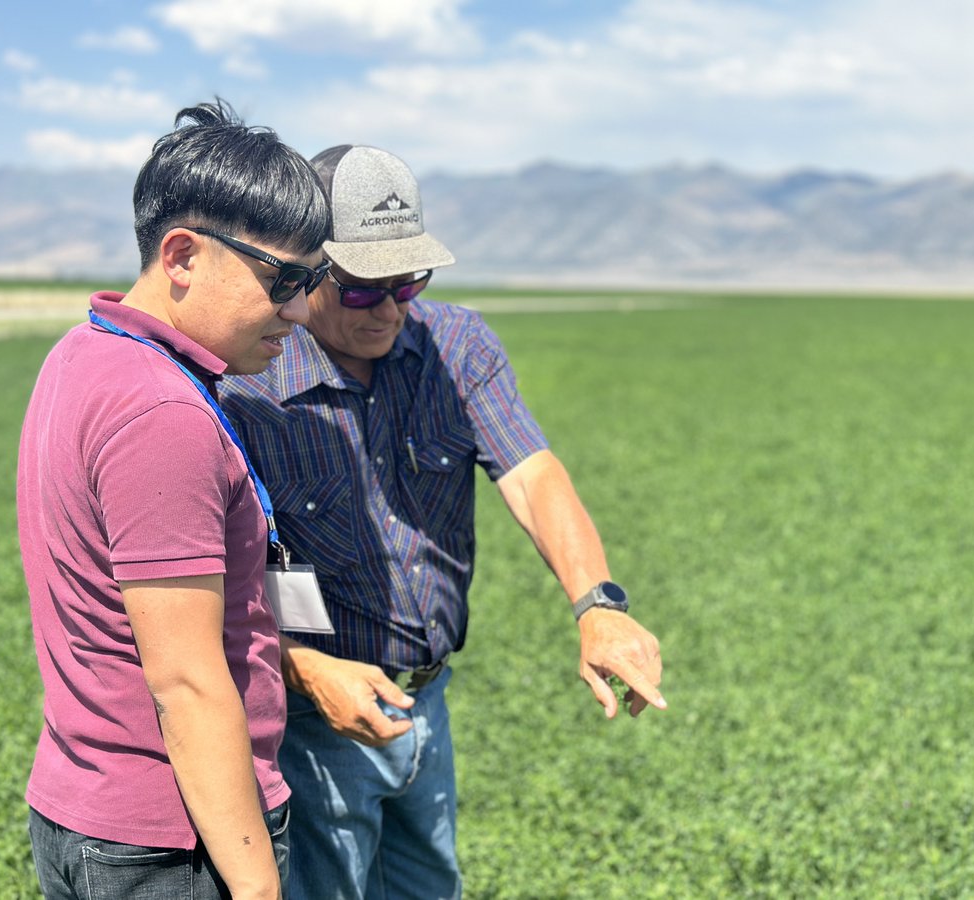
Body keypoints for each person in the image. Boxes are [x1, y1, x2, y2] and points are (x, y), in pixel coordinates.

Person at [218, 144, 666, 899]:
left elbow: (533, 476)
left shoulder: (457, 347)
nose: (392, 308)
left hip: (427, 703)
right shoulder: (250, 381)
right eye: (364, 290)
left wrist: (599, 605)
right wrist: (302, 668)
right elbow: (209, 585)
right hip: (309, 721)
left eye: (409, 281)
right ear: (307, 274)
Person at [16, 99, 331, 900]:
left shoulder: (86, 351)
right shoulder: (162, 413)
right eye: (283, 280)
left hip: (91, 808)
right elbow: (186, 685)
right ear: (183, 255)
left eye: (313, 280)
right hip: (174, 841)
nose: (299, 311)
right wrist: (258, 886)